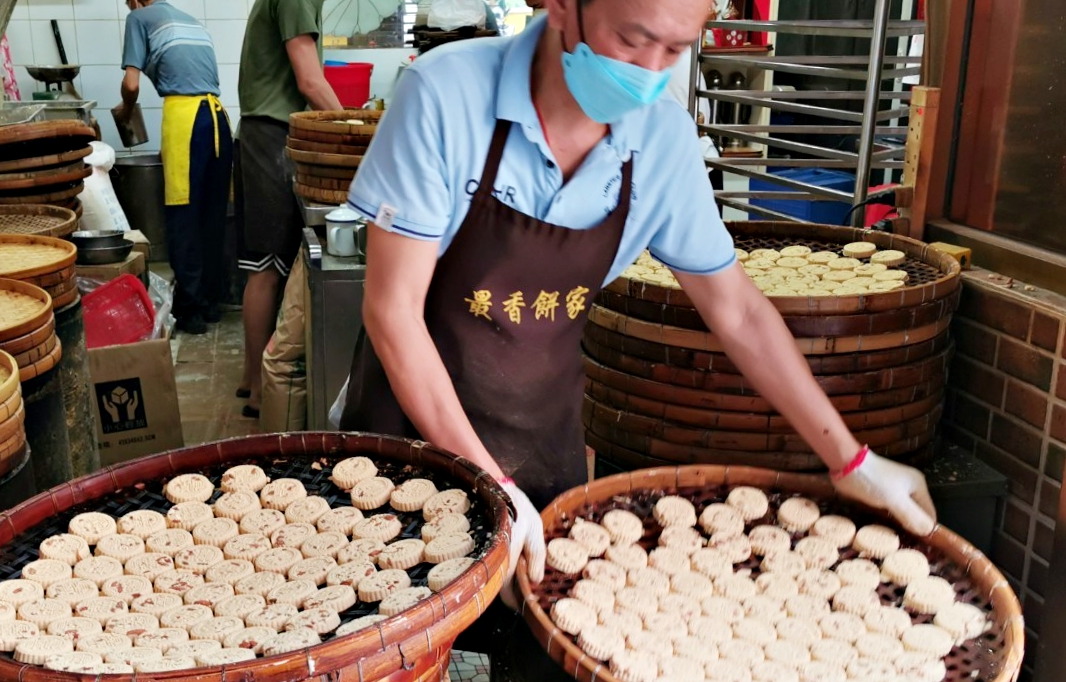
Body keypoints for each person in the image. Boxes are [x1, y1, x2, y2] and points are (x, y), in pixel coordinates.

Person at [340, 0, 937, 603]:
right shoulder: (445, 94)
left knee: (535, 662)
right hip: (409, 456)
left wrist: (851, 460)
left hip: (542, 450)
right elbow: (392, 312)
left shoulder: (662, 139)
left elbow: (739, 312)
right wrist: (490, 483)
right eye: (632, 38)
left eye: (674, 51)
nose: (649, 70)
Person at [235, 0, 343, 418]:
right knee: (268, 265)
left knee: (266, 262)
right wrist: (353, 130)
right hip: (273, 134)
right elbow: (310, 81)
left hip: (266, 131)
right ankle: (263, 390)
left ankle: (251, 377)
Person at [116, 0, 232, 335]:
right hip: (218, 118)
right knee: (212, 215)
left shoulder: (138, 17)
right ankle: (212, 303)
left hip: (186, 120)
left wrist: (125, 109)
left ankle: (191, 310)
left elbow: (132, 84)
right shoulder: (188, 19)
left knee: (183, 214)